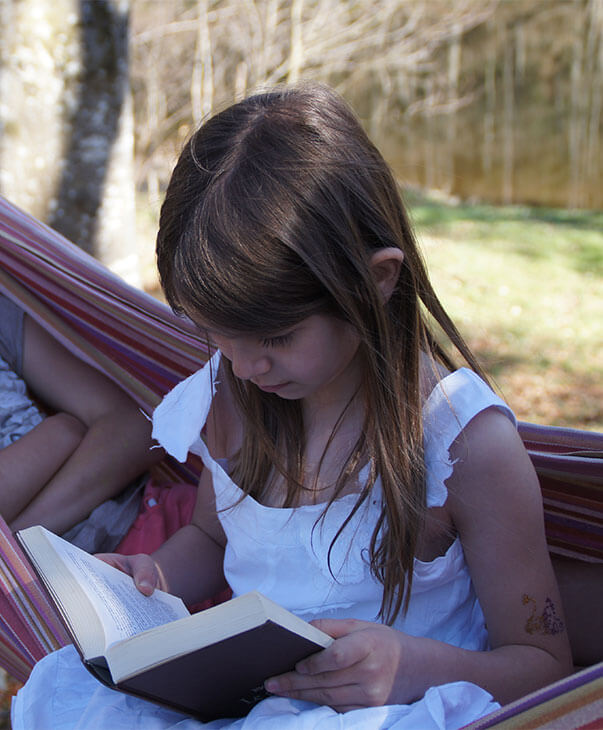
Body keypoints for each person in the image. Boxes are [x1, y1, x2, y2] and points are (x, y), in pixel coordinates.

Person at [12, 83, 572, 730]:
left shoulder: (460, 444)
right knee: (66, 694)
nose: (245, 365)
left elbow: (543, 665)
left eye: (275, 336)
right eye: (216, 334)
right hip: (259, 706)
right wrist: (154, 578)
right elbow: (209, 535)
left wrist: (413, 665)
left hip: (399, 711)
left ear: (377, 279)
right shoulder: (232, 399)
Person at [0, 292, 162, 546]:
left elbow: (140, 429)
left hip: (140, 524)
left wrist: (15, 543)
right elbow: (63, 433)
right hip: (29, 578)